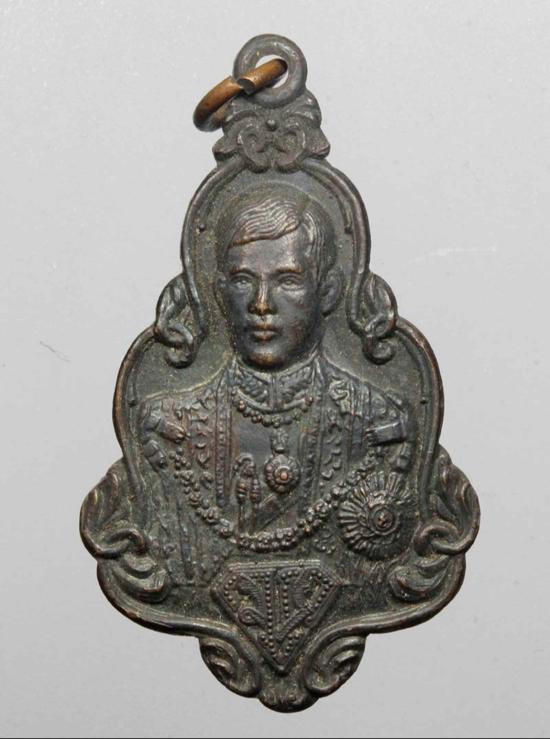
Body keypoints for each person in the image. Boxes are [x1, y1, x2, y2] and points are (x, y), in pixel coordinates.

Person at [139, 184, 412, 585]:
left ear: (328, 292)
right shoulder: (170, 428)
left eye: (287, 280)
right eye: (243, 280)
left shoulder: (380, 424)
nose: (262, 303)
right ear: (219, 293)